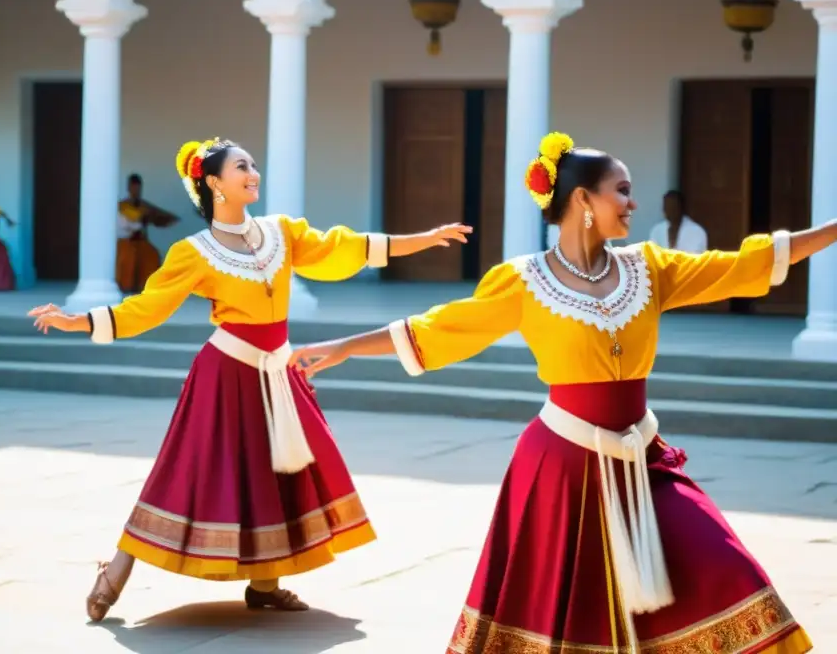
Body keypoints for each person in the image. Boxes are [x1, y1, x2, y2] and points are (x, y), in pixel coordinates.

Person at [289, 132, 831, 654]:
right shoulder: (525, 281)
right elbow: (441, 328)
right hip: (562, 465)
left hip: (642, 458)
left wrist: (832, 229)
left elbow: (742, 265)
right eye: (621, 189)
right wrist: (346, 346)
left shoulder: (650, 268)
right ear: (582, 199)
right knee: (568, 607)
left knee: (721, 562)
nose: (632, 202)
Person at [28, 138, 473, 621]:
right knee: (186, 472)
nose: (254, 172)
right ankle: (116, 568)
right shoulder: (193, 252)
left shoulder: (280, 233)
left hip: (276, 369)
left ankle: (265, 584)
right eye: (242, 166)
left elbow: (342, 247)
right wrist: (80, 320)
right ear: (214, 182)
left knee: (279, 474)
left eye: (254, 165)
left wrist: (424, 239)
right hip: (226, 374)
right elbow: (145, 308)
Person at [116, 173, 179, 293]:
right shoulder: (122, 206)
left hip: (141, 241)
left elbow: (162, 217)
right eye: (133, 187)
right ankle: (125, 286)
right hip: (126, 241)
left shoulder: (144, 206)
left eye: (138, 188)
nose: (136, 190)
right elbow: (125, 226)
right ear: (129, 188)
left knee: (152, 254)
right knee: (128, 256)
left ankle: (145, 286)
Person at [649, 189, 708, 253]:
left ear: (681, 208)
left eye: (673, 208)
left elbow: (696, 258)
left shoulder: (697, 231)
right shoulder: (657, 230)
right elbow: (653, 256)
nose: (669, 211)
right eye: (666, 207)